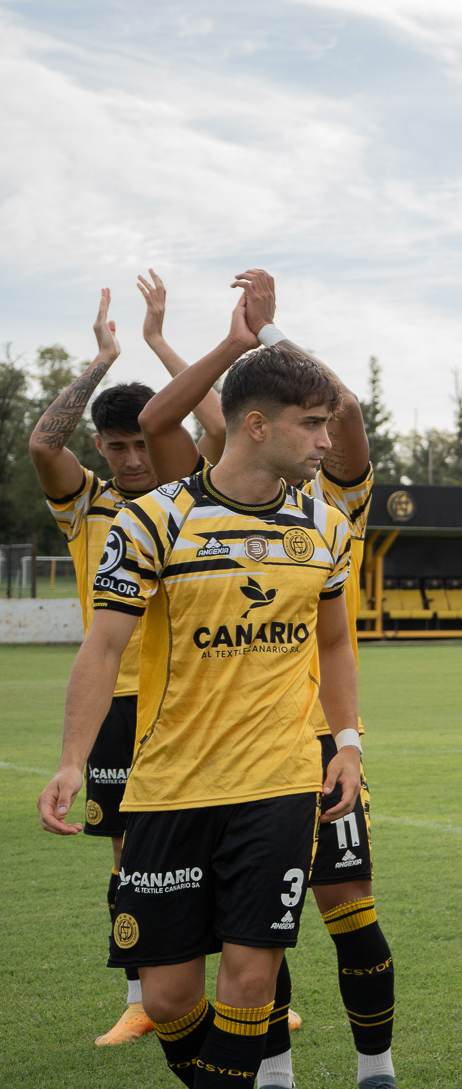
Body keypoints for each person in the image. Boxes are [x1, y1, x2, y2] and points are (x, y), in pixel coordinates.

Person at [36, 336, 363, 1089]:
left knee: (250, 983)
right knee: (170, 997)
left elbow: (337, 644)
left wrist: (344, 742)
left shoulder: (325, 527)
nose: (327, 439)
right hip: (169, 785)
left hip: (278, 784)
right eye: (313, 423)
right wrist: (71, 760)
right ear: (256, 424)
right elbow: (104, 647)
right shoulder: (152, 520)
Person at [136, 270, 395, 1088]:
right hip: (224, 756)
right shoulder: (222, 488)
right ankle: (270, 1076)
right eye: (303, 425)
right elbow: (170, 418)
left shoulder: (335, 496)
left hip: (315, 742)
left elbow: (342, 407)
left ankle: (376, 1070)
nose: (319, 438)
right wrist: (227, 345)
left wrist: (275, 337)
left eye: (320, 427)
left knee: (350, 916)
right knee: (256, 935)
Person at [28, 277, 225, 1047]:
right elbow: (46, 443)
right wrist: (105, 357)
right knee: (130, 853)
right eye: (119, 446)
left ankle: (238, 988)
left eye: (143, 440)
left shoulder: (190, 494)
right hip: (117, 702)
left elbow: (211, 421)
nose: (135, 456)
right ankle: (144, 998)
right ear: (103, 450)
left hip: (193, 699)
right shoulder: (89, 503)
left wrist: (159, 344)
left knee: (218, 844)